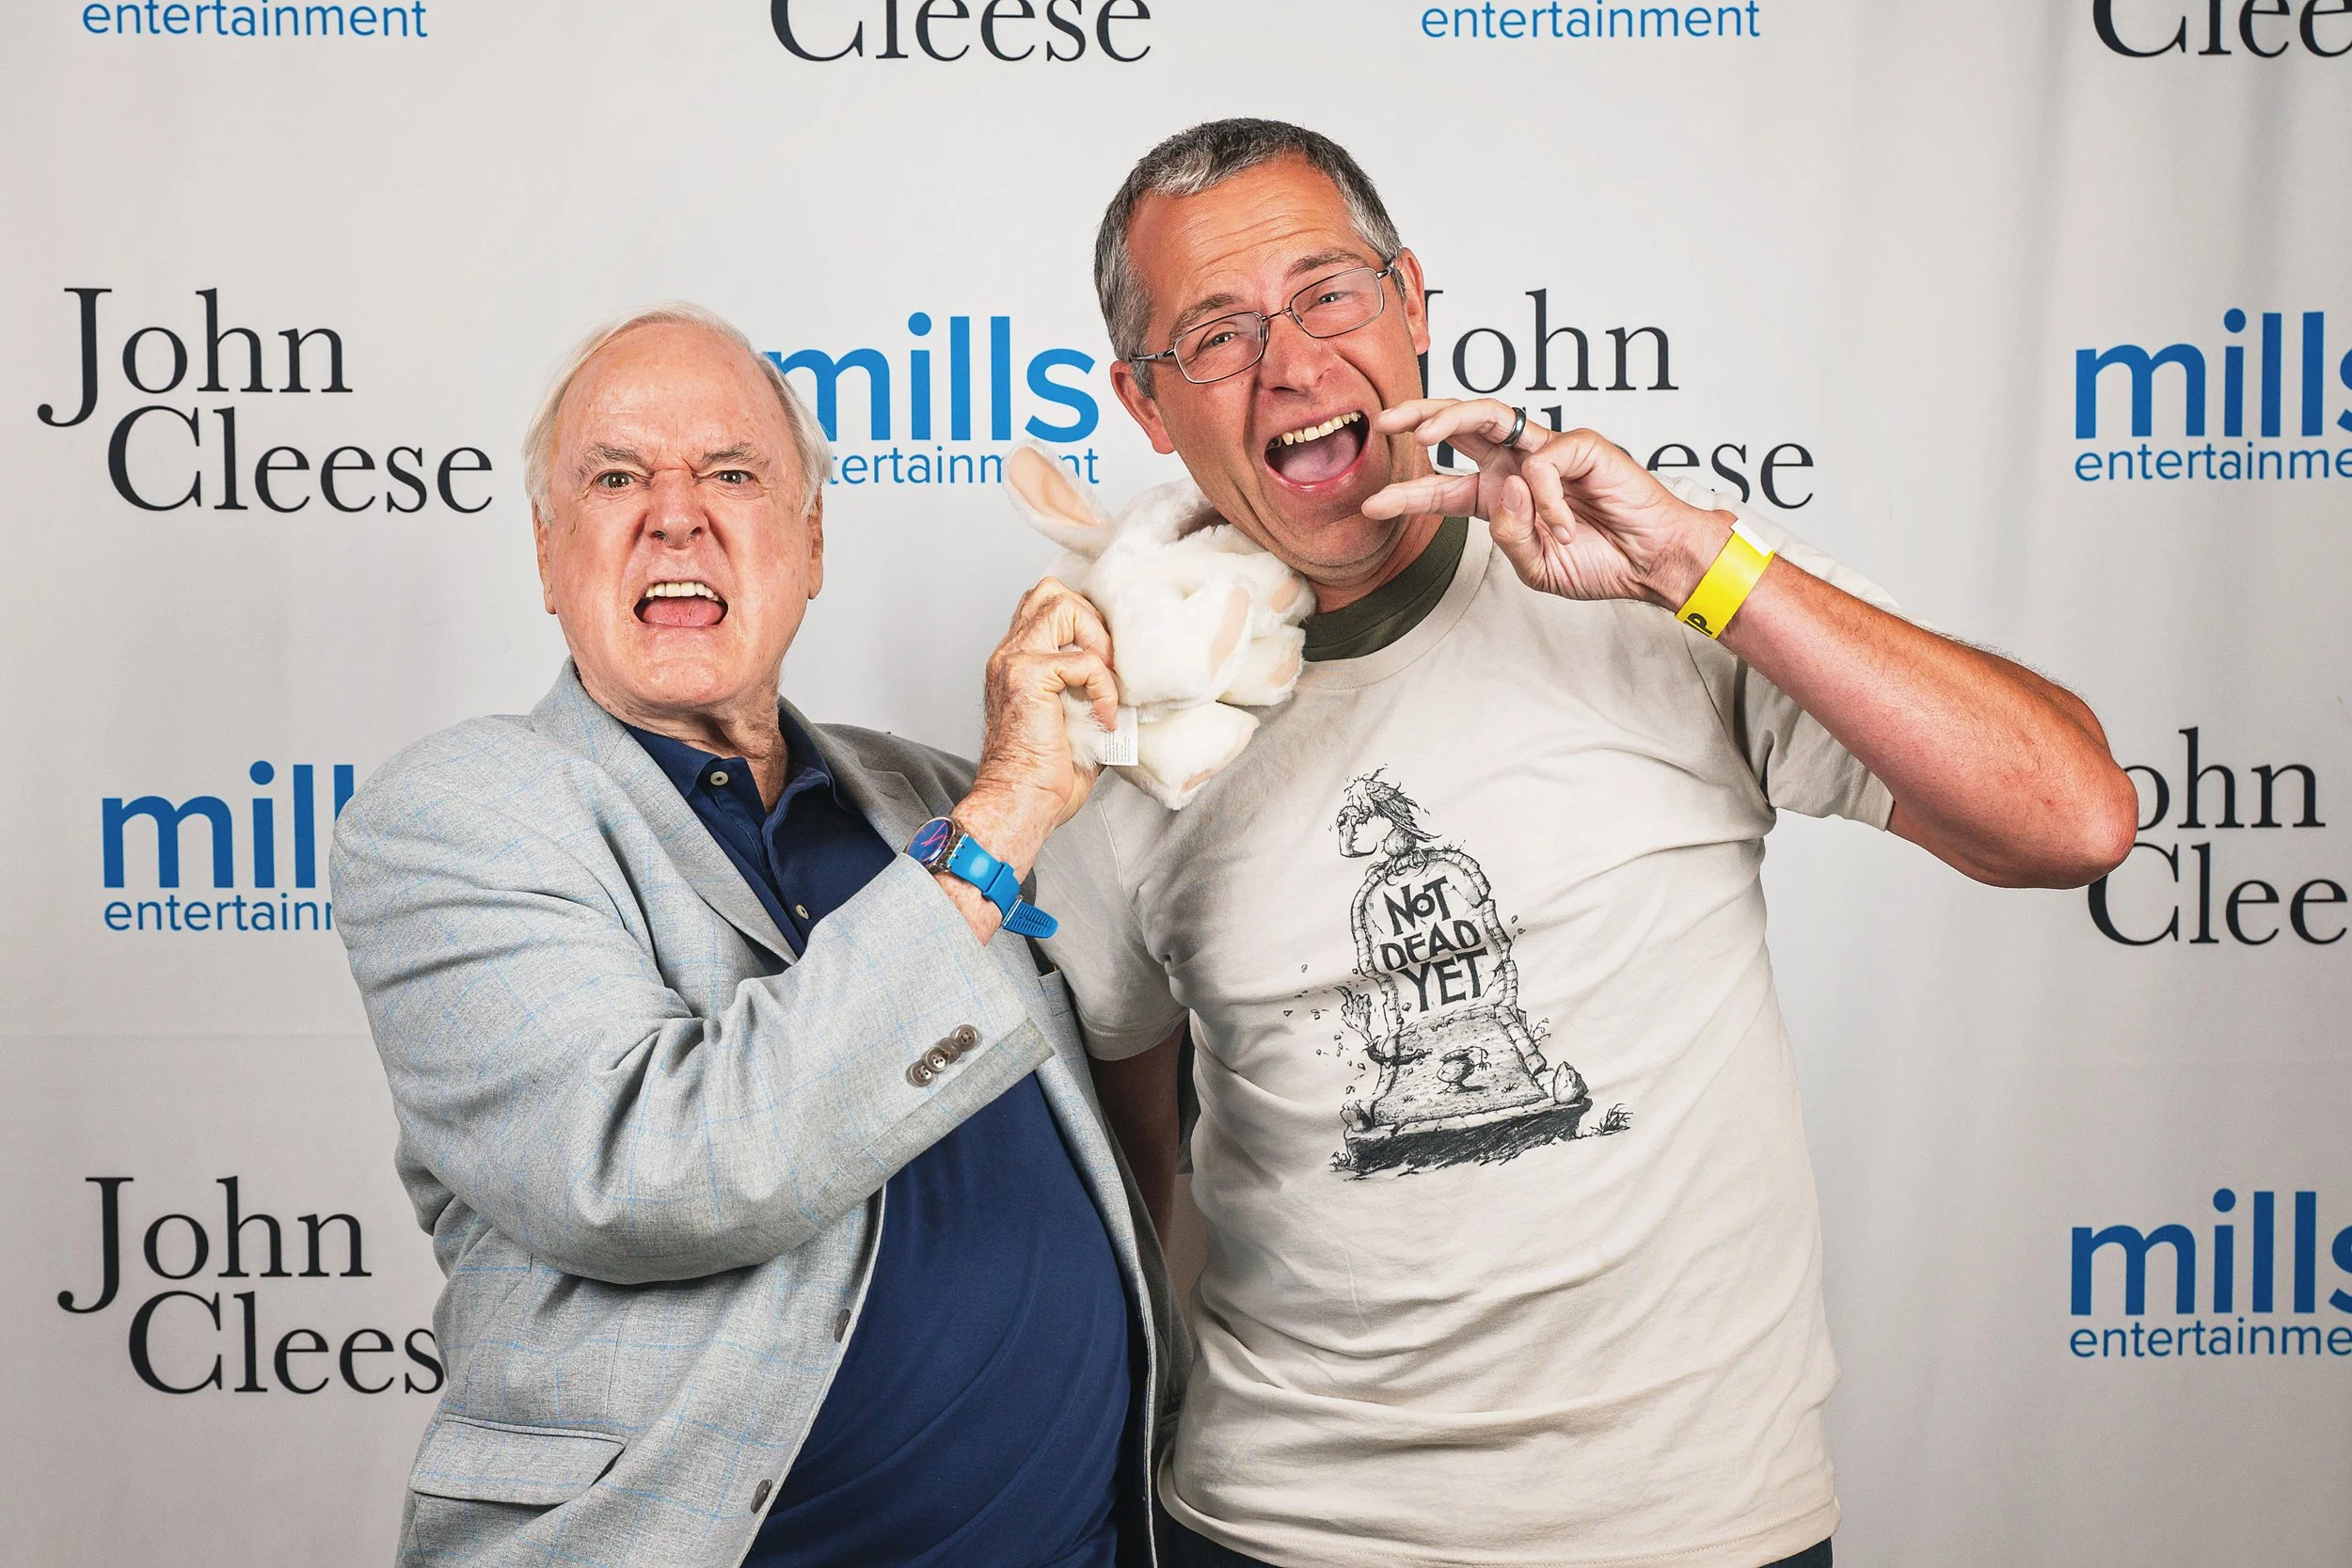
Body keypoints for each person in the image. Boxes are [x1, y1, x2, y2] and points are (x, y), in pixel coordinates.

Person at [1037, 119, 2139, 1568]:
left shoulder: (1661, 581)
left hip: (1698, 1527)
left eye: (1328, 294)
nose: (1296, 364)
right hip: (1283, 1530)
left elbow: (2074, 818)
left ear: (1414, 301)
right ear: (1144, 401)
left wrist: (1700, 563)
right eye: (1218, 335)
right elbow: (1130, 1133)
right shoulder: (1119, 710)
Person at [332, 303, 1180, 1568]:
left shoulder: (932, 796)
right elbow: (651, 1172)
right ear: (548, 551)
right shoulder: (456, 815)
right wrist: (1000, 819)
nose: (676, 512)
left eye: (732, 473)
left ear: (811, 539)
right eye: (617, 477)